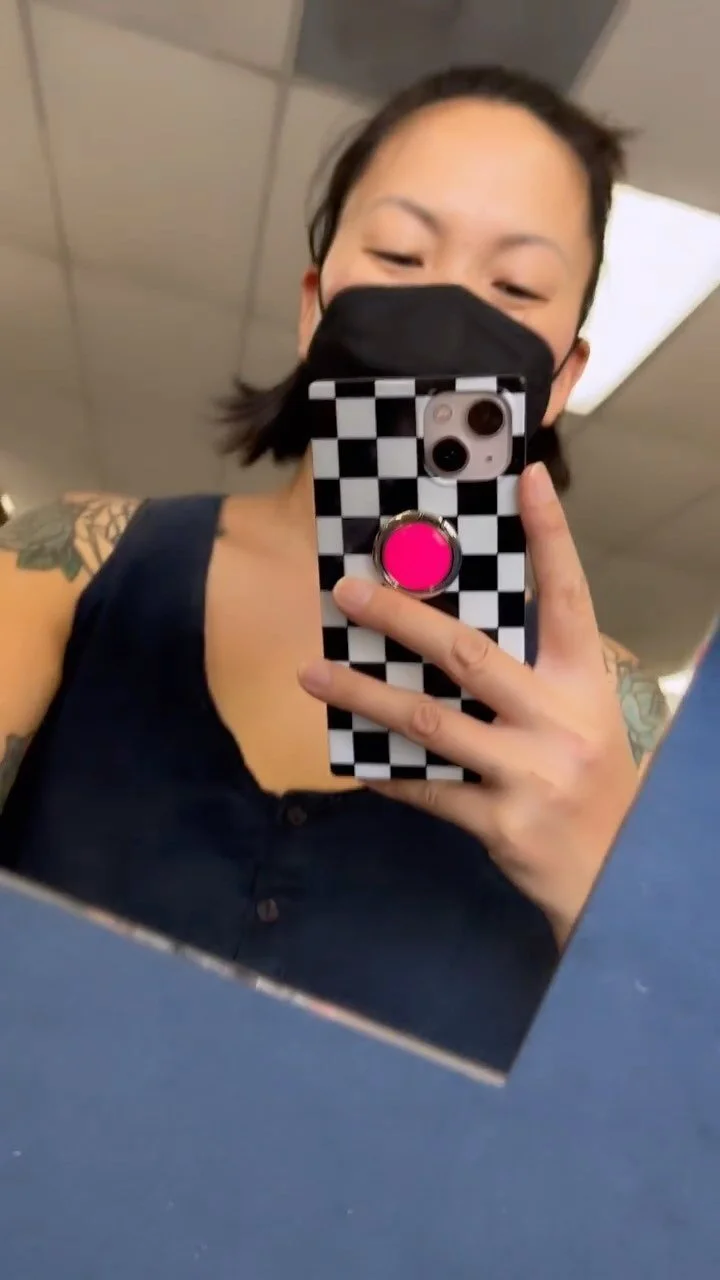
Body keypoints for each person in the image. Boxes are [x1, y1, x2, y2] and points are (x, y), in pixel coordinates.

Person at [0, 66, 667, 1071]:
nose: (449, 308)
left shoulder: (615, 727)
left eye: (516, 288)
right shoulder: (71, 568)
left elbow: (663, 1113)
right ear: (316, 311)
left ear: (560, 379)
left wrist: (606, 899)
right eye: (401, 254)